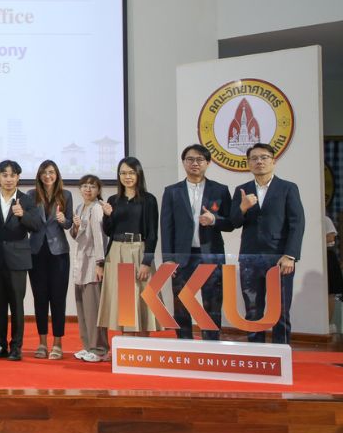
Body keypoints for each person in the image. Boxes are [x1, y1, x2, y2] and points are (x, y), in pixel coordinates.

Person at [230, 143, 305, 344]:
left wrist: (290, 255)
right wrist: (243, 208)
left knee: (280, 310)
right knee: (252, 310)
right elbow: (233, 222)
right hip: (249, 258)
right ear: (248, 163)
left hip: (279, 258)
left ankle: (281, 352)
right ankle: (256, 353)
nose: (259, 161)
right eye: (254, 158)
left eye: (264, 157)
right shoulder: (242, 190)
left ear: (273, 161)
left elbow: (297, 223)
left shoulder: (288, 188)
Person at [160, 145, 233, 340]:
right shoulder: (172, 191)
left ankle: (211, 345)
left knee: (212, 302)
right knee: (181, 303)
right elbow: (166, 227)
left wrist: (214, 220)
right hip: (182, 257)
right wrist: (168, 258)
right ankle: (185, 344)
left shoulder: (220, 190)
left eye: (200, 159)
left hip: (210, 255)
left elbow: (231, 223)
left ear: (208, 163)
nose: (195, 163)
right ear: (184, 162)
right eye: (190, 159)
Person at [0, 160, 41, 361]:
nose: (8, 179)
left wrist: (23, 215)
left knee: (16, 304)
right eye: (4, 175)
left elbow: (36, 225)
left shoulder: (27, 200)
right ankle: (0, 345)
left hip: (18, 260)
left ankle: (16, 346)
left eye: (12, 175)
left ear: (18, 177)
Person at [98, 157, 160, 336]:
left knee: (142, 298)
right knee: (123, 300)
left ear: (139, 174)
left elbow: (152, 233)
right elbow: (109, 231)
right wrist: (107, 215)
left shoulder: (148, 199)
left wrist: (147, 261)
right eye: (123, 173)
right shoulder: (113, 200)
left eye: (131, 172)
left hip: (139, 251)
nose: (127, 177)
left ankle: (142, 345)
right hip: (116, 251)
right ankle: (126, 343)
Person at [27, 159, 73, 360]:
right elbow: (28, 223)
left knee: (58, 299)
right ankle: (42, 343)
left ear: (57, 174)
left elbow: (69, 224)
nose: (48, 175)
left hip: (59, 252)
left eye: (51, 172)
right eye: (44, 172)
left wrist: (64, 221)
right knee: (40, 298)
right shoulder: (31, 195)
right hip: (36, 251)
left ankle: (58, 343)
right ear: (39, 175)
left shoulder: (66, 195)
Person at [69, 175, 109, 362]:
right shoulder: (79, 207)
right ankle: (88, 346)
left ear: (98, 190)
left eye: (92, 186)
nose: (88, 189)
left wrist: (100, 263)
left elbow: (100, 238)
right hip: (81, 262)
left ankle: (99, 349)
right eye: (84, 186)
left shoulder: (97, 208)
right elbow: (76, 235)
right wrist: (76, 227)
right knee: (82, 308)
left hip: (93, 263)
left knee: (94, 310)